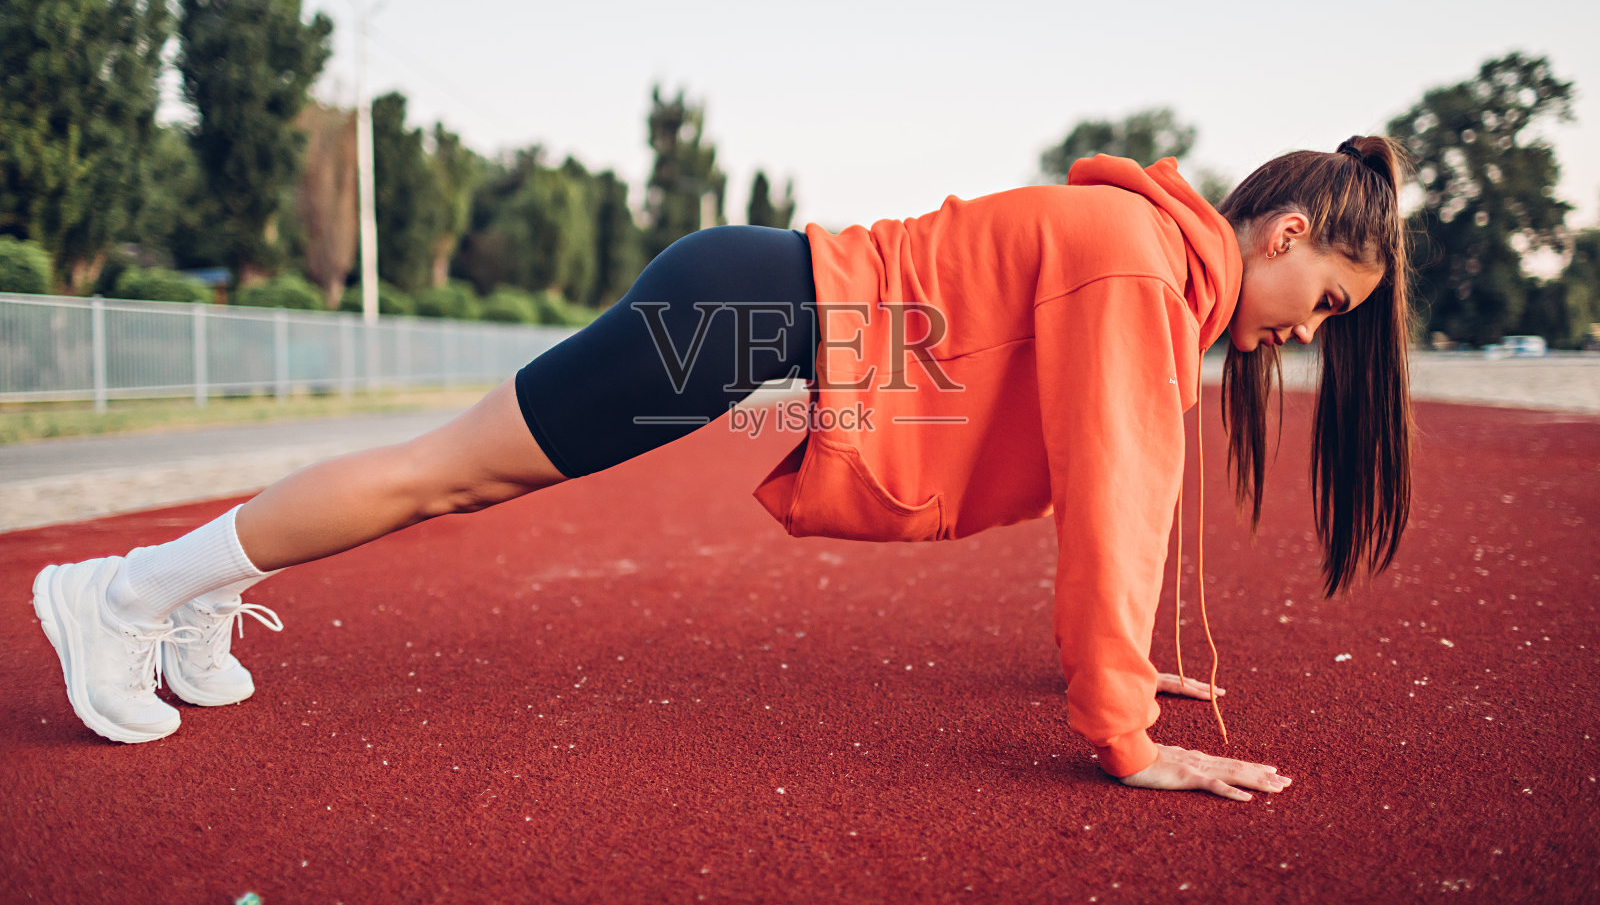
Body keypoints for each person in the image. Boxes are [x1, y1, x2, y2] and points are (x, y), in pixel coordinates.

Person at [31, 135, 1412, 803]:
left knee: (455, 471)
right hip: (742, 312)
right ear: (1281, 231)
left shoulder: (1147, 257)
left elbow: (1103, 471)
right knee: (445, 474)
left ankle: (190, 588)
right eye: (1330, 300)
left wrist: (1113, 674)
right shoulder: (1138, 265)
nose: (1307, 332)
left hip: (747, 301)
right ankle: (130, 592)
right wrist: (1125, 729)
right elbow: (1121, 494)